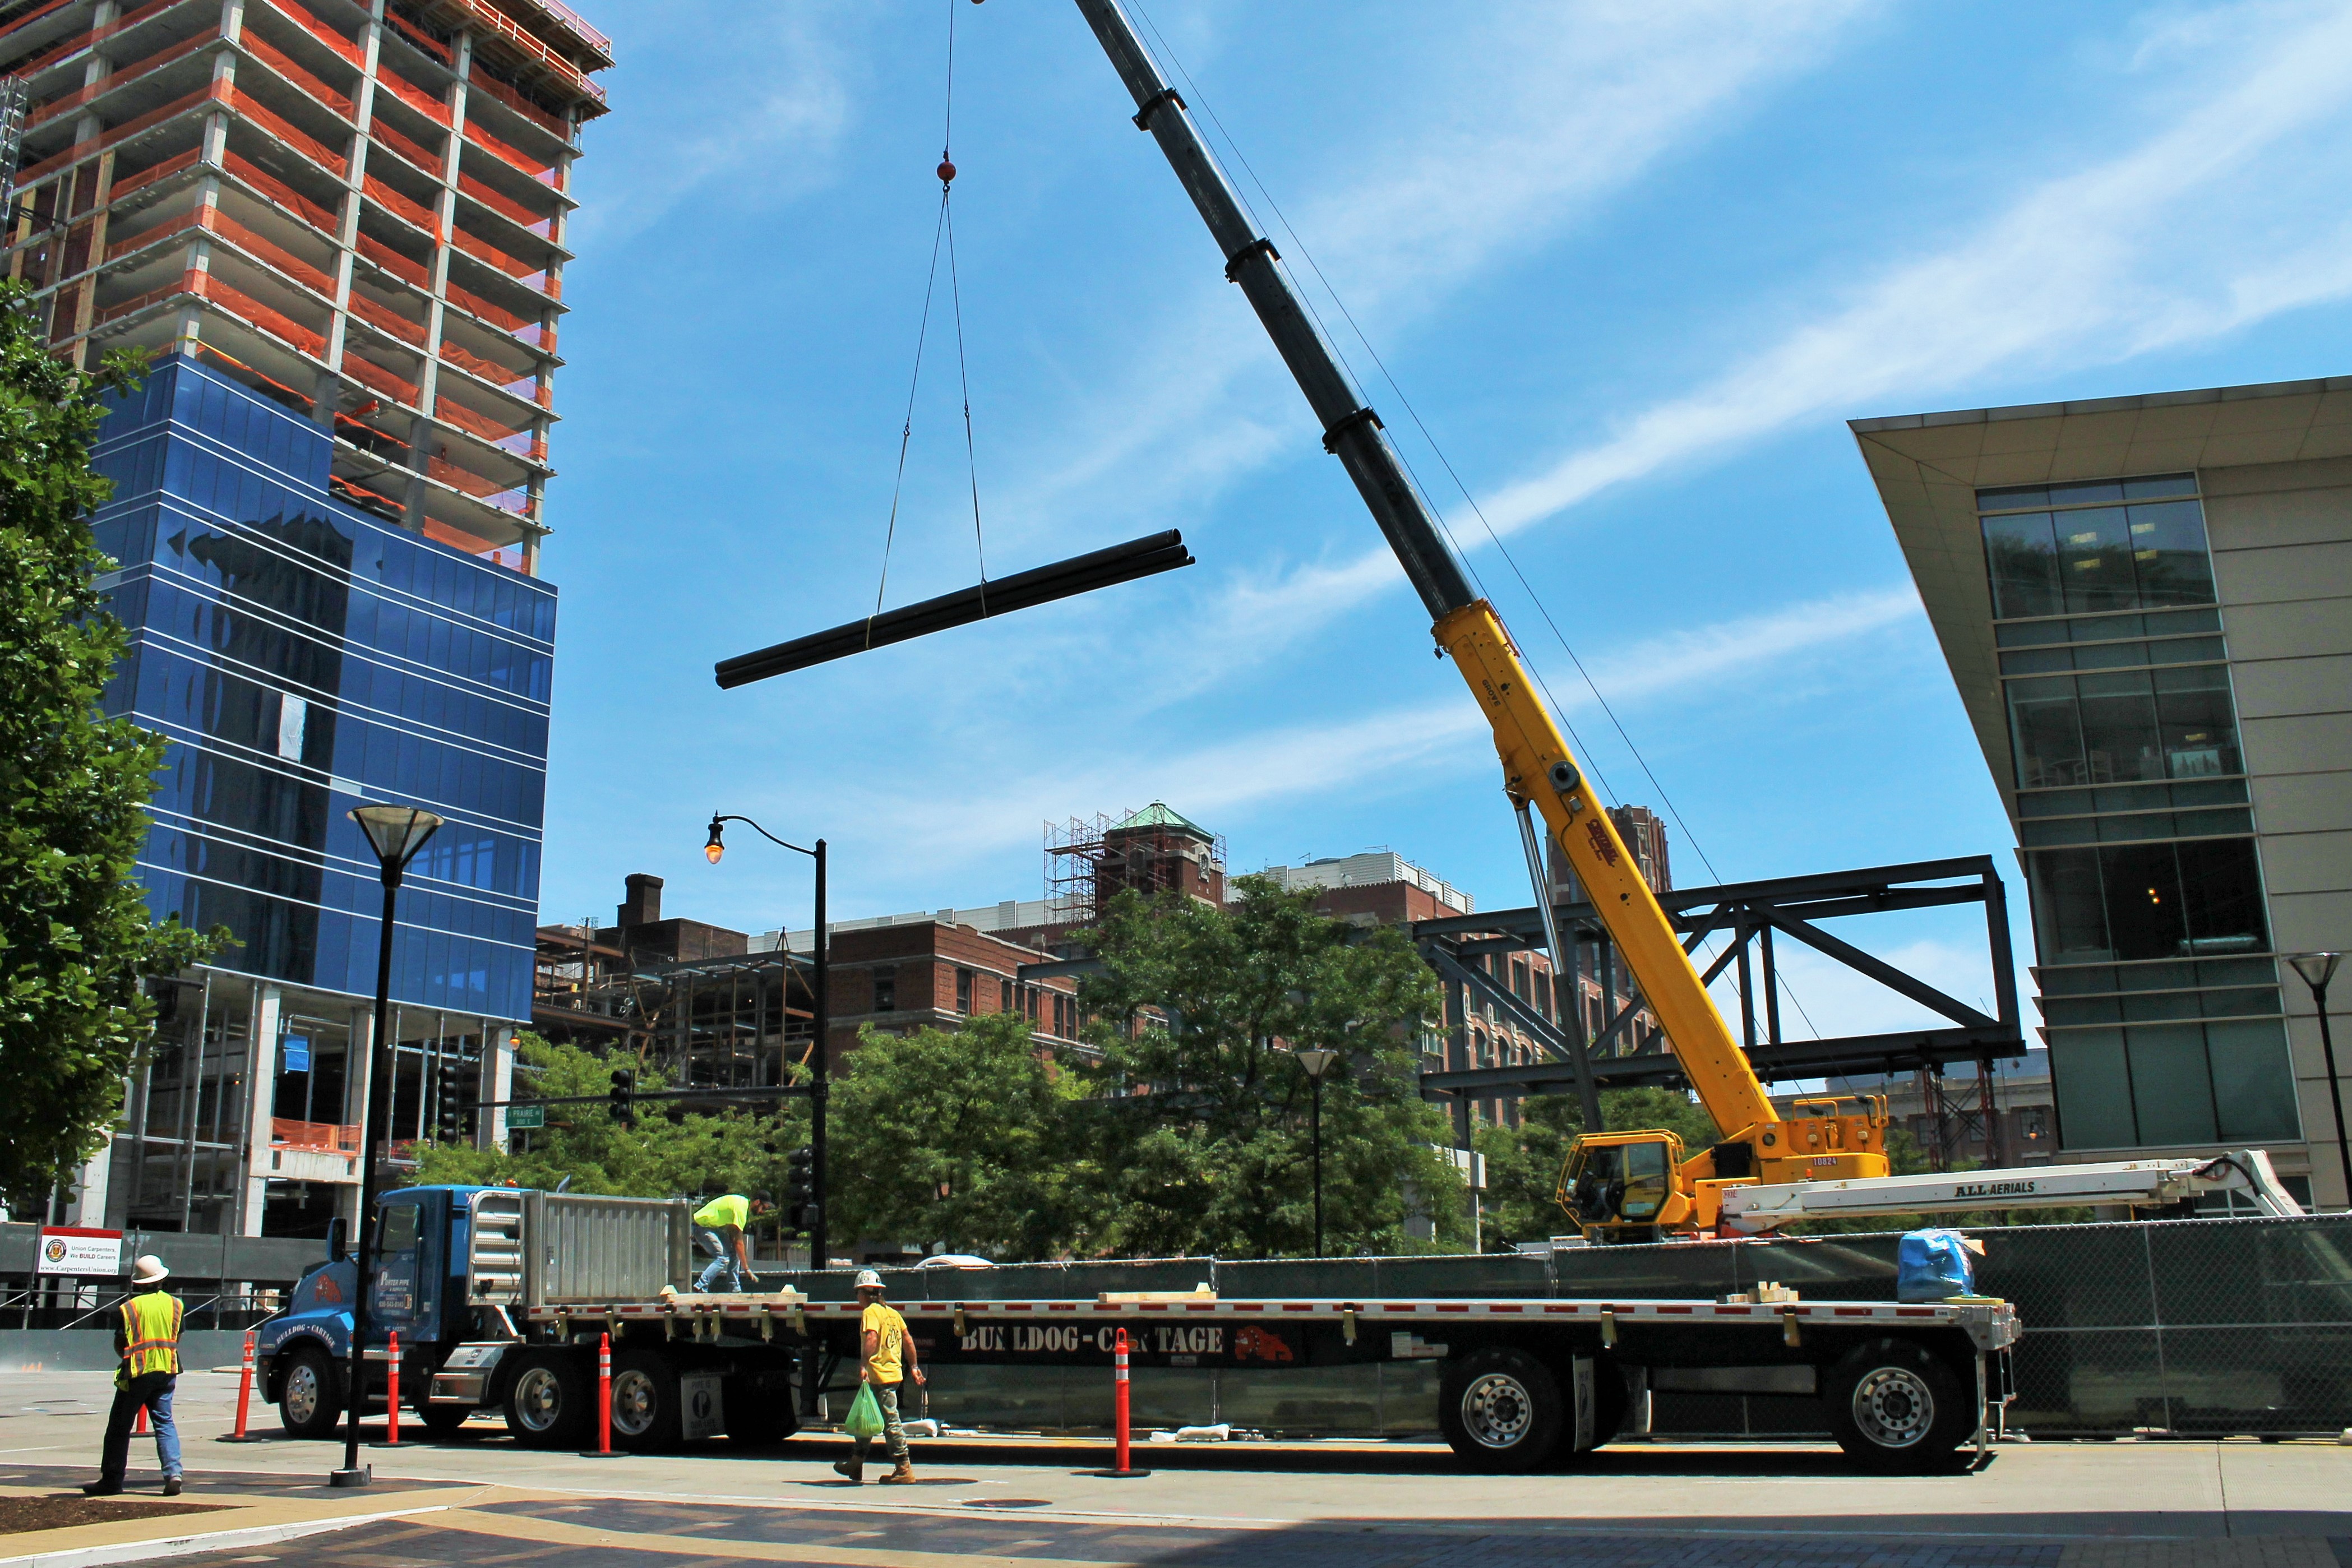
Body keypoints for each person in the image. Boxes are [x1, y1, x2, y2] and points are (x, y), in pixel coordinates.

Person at [85, 1255, 182, 1497]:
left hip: (138, 1373)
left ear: (138, 1283)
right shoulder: (176, 1305)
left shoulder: (129, 1309)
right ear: (161, 1279)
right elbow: (176, 1337)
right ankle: (174, 1474)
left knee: (119, 1427)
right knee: (164, 1422)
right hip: (167, 1370)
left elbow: (121, 1344)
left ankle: (112, 1480)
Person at [834, 1269, 922, 1485]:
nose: (858, 1298)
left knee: (891, 1422)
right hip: (893, 1373)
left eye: (858, 1294)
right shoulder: (893, 1314)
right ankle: (856, 1464)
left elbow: (872, 1338)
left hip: (879, 1375)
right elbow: (908, 1340)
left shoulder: (870, 1313)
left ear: (864, 1294)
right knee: (867, 1418)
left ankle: (904, 1468)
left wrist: (863, 1363)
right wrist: (914, 1367)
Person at [691, 1194, 761, 1293]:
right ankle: (701, 1286)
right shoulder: (741, 1208)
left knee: (734, 1254)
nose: (762, 1212)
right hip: (702, 1228)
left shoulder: (741, 1202)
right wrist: (746, 1269)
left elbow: (732, 1231)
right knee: (723, 1258)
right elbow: (739, 1242)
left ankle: (734, 1288)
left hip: (711, 1228)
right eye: (763, 1208)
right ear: (757, 1202)